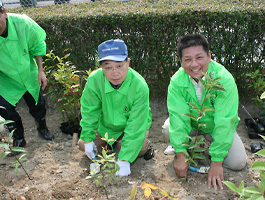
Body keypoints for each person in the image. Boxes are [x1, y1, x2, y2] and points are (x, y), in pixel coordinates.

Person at [162, 34, 247, 190]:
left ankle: (210, 149)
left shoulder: (223, 79)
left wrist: (216, 161)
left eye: (199, 57)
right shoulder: (177, 81)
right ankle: (183, 148)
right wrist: (180, 155)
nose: (194, 64)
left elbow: (224, 121)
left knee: (237, 163)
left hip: (214, 127)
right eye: (187, 59)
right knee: (168, 128)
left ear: (209, 56)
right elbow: (179, 117)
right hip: (193, 125)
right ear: (180, 62)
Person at [78, 39, 153, 176]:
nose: (114, 73)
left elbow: (135, 124)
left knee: (140, 149)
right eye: (108, 67)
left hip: (130, 127)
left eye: (119, 66)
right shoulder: (95, 80)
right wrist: (88, 138)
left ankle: (130, 147)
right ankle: (114, 146)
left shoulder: (139, 86)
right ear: (101, 67)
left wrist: (125, 160)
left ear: (128, 62)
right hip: (106, 127)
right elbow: (89, 111)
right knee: (82, 144)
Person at [0, 1, 54, 156]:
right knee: (4, 108)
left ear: (3, 12)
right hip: (6, 78)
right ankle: (18, 138)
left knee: (38, 104)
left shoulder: (22, 23)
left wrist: (41, 71)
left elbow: (37, 44)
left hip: (28, 73)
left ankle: (42, 128)